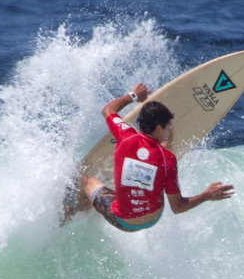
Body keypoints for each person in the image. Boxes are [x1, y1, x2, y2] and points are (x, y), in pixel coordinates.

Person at [78, 84, 234, 233]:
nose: (171, 128)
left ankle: (75, 212)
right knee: (161, 163)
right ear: (158, 127)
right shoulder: (169, 159)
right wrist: (206, 195)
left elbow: (108, 109)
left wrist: (134, 96)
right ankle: (156, 161)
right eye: (168, 126)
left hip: (123, 221)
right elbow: (178, 207)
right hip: (152, 217)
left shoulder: (124, 135)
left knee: (86, 181)